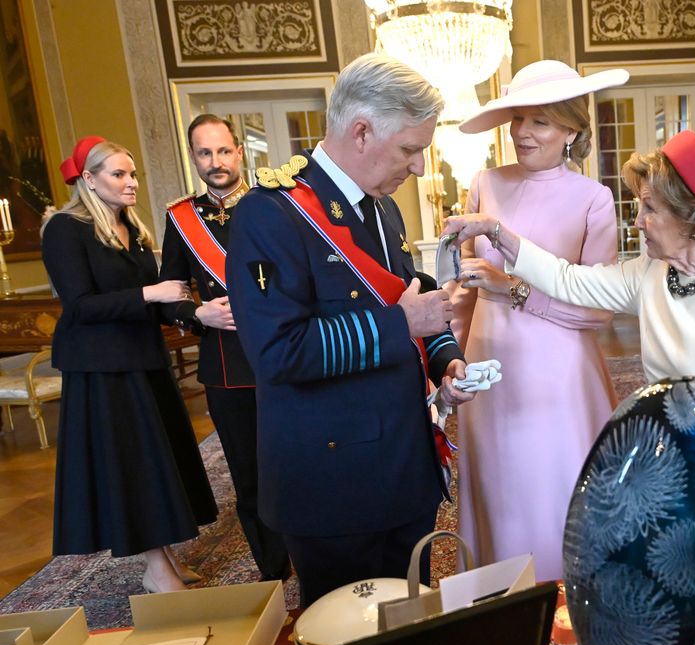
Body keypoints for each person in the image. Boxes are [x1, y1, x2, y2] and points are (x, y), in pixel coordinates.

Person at [225, 54, 472, 606]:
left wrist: (445, 360)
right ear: (361, 131)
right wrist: (402, 323)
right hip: (333, 482)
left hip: (404, 467)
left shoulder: (382, 210)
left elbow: (411, 299)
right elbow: (277, 353)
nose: (418, 169)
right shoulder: (271, 215)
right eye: (410, 149)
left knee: (412, 621)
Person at [444, 130, 695, 481]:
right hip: (669, 466)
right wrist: (497, 231)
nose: (637, 222)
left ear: (691, 216)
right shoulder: (651, 272)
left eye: (650, 208)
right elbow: (567, 280)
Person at [448, 60, 628, 580]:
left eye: (540, 122)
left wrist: (513, 290)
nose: (523, 133)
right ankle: (502, 603)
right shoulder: (486, 182)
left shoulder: (593, 198)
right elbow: (465, 285)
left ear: (571, 129)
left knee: (552, 490)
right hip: (487, 359)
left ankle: (569, 612)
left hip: (558, 370)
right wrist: (447, 359)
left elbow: (599, 308)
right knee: (496, 489)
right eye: (518, 119)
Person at [42, 137, 217, 593]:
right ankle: (155, 568)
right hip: (103, 370)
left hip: (143, 359)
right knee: (134, 466)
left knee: (160, 462)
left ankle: (164, 556)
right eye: (119, 174)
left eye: (133, 174)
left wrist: (195, 313)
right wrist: (150, 293)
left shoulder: (132, 229)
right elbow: (79, 306)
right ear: (89, 180)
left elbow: (159, 300)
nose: (131, 182)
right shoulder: (65, 228)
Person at [160, 114, 291, 582]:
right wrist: (197, 314)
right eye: (204, 153)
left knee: (302, 465)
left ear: (239, 152)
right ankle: (273, 573)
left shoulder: (274, 204)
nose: (215, 162)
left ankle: (317, 557)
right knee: (250, 480)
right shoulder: (182, 219)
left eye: (223, 151)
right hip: (227, 368)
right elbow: (169, 292)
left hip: (287, 355)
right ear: (194, 157)